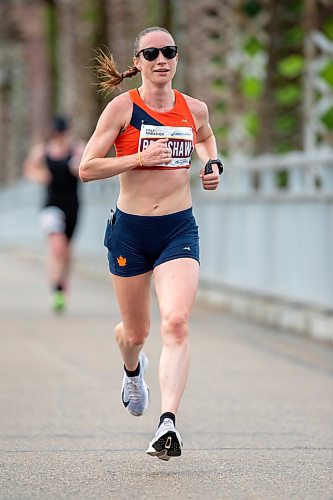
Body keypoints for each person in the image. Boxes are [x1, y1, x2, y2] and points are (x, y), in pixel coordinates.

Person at [79, 26, 222, 460]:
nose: (162, 59)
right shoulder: (122, 109)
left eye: (169, 51)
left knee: (176, 322)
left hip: (178, 228)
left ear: (177, 59)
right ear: (138, 61)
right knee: (136, 333)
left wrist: (212, 163)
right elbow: (87, 168)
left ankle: (167, 424)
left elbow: (206, 137)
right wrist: (138, 157)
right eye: (151, 53)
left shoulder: (193, 108)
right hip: (131, 232)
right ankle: (131, 370)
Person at [24, 115, 86, 312]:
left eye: (62, 133)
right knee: (57, 247)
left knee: (66, 252)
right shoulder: (42, 151)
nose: (59, 137)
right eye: (57, 133)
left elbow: (89, 164)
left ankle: (62, 284)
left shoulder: (77, 149)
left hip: (73, 207)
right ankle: (56, 288)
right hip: (51, 206)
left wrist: (79, 167)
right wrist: (39, 175)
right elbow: (29, 167)